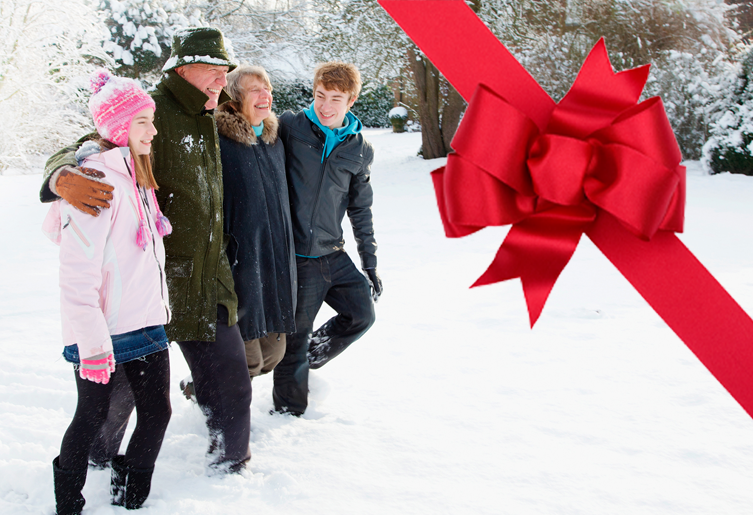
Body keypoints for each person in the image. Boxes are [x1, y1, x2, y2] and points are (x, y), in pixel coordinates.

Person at [41, 27, 252, 474]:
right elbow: (85, 142)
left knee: (231, 381)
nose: (221, 79)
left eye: (225, 71)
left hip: (207, 279)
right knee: (121, 396)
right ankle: (99, 463)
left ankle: (229, 464)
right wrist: (60, 174)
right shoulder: (148, 109)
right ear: (182, 67)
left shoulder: (207, 113)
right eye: (213, 70)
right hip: (148, 285)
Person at [45, 70, 172, 514]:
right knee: (91, 418)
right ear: (119, 127)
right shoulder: (95, 183)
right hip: (104, 329)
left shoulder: (137, 173)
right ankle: (68, 502)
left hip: (146, 320)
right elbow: (76, 277)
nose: (153, 130)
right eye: (142, 122)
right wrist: (93, 347)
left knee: (158, 414)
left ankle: (130, 498)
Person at [273, 61, 382, 416]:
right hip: (298, 256)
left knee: (361, 313)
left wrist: (369, 263)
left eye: (335, 98)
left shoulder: (359, 149)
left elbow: (360, 210)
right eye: (320, 95)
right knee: (295, 335)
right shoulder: (290, 126)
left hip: (332, 253)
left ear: (351, 101)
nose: (325, 105)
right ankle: (288, 413)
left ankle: (300, 362)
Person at [215, 65, 296, 379]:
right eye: (254, 90)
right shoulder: (218, 139)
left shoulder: (275, 139)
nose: (266, 96)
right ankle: (220, 412)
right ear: (234, 101)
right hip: (241, 267)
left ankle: (203, 387)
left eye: (268, 89)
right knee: (247, 364)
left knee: (273, 357)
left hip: (275, 269)